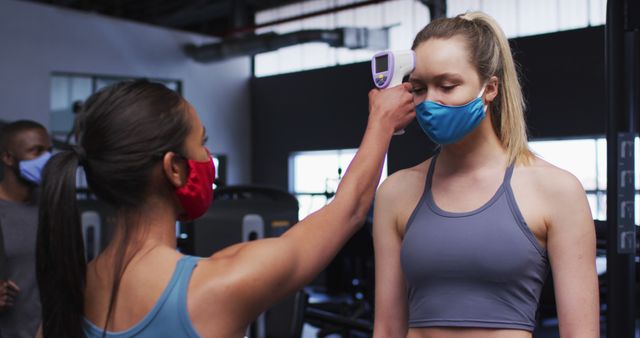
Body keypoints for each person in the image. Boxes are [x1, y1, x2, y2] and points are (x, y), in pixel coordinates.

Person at [35, 79, 415, 338]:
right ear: (174, 168)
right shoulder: (217, 286)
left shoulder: (66, 292)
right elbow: (347, 211)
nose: (209, 157)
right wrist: (381, 121)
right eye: (202, 143)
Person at [372, 11, 599, 338]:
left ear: (489, 88)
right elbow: (387, 328)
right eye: (419, 89)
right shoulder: (395, 192)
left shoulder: (556, 190)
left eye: (447, 86)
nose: (429, 102)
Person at [0, 120, 52, 338]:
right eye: (36, 152)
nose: (46, 160)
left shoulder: (52, 207)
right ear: (8, 158)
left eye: (49, 151)